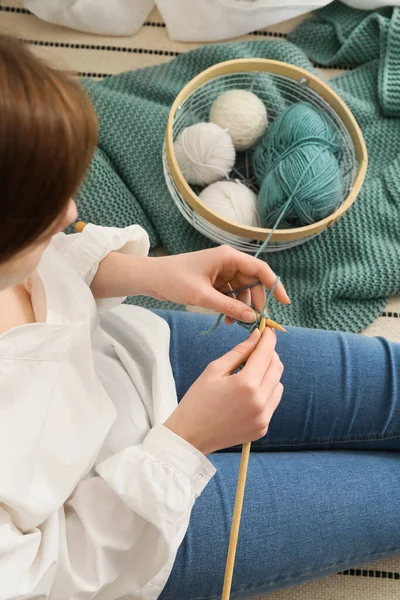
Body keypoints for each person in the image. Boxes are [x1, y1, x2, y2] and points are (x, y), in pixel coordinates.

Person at [0, 35, 399, 600]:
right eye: (40, 211)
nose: (70, 213)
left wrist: (147, 274)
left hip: (136, 360)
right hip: (142, 530)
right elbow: (48, 579)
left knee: (390, 382)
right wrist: (186, 442)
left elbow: (46, 267)